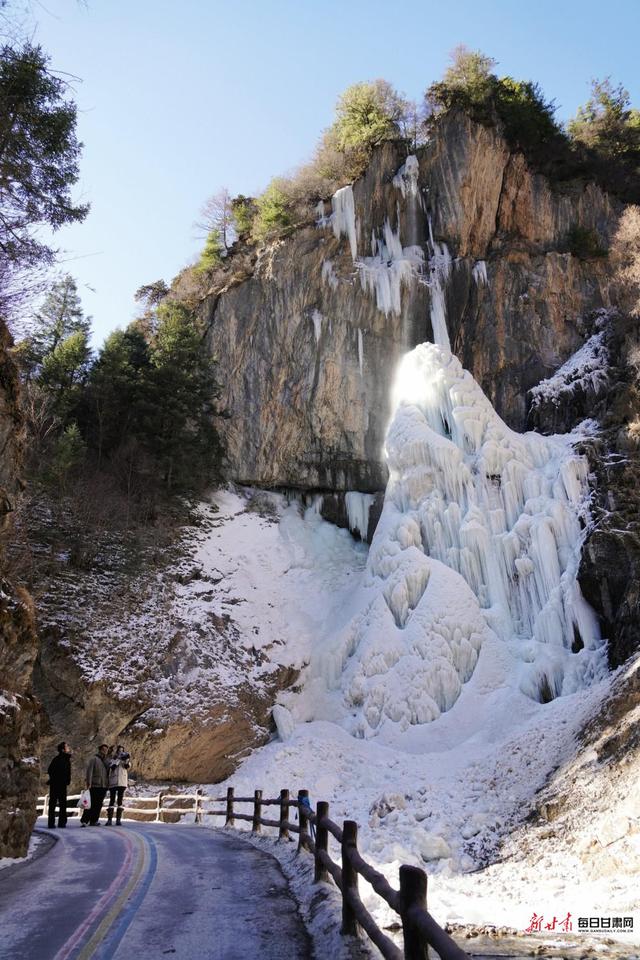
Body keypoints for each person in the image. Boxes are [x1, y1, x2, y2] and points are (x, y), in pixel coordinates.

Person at [81, 744, 110, 826]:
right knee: (90, 803)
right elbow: (89, 771)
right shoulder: (94, 759)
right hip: (94, 785)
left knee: (99, 804)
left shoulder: (106, 761)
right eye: (104, 749)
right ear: (100, 750)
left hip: (103, 786)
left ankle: (94, 820)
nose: (105, 751)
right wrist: (88, 783)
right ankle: (84, 820)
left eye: (106, 750)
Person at [47, 742, 71, 828]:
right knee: (54, 803)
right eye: (67, 746)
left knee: (62, 804)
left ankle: (61, 822)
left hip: (61, 784)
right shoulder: (57, 759)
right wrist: (57, 779)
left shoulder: (66, 759)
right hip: (56, 784)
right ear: (63, 749)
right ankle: (53, 823)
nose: (68, 747)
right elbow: (50, 770)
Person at [106, 745, 130, 826]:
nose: (121, 752)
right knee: (112, 800)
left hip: (122, 782)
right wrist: (118, 759)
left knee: (120, 800)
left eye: (122, 751)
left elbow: (127, 767)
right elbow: (112, 767)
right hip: (113, 781)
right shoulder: (113, 759)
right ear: (117, 751)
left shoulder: (125, 760)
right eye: (119, 751)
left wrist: (126, 760)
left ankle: (118, 820)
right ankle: (109, 820)